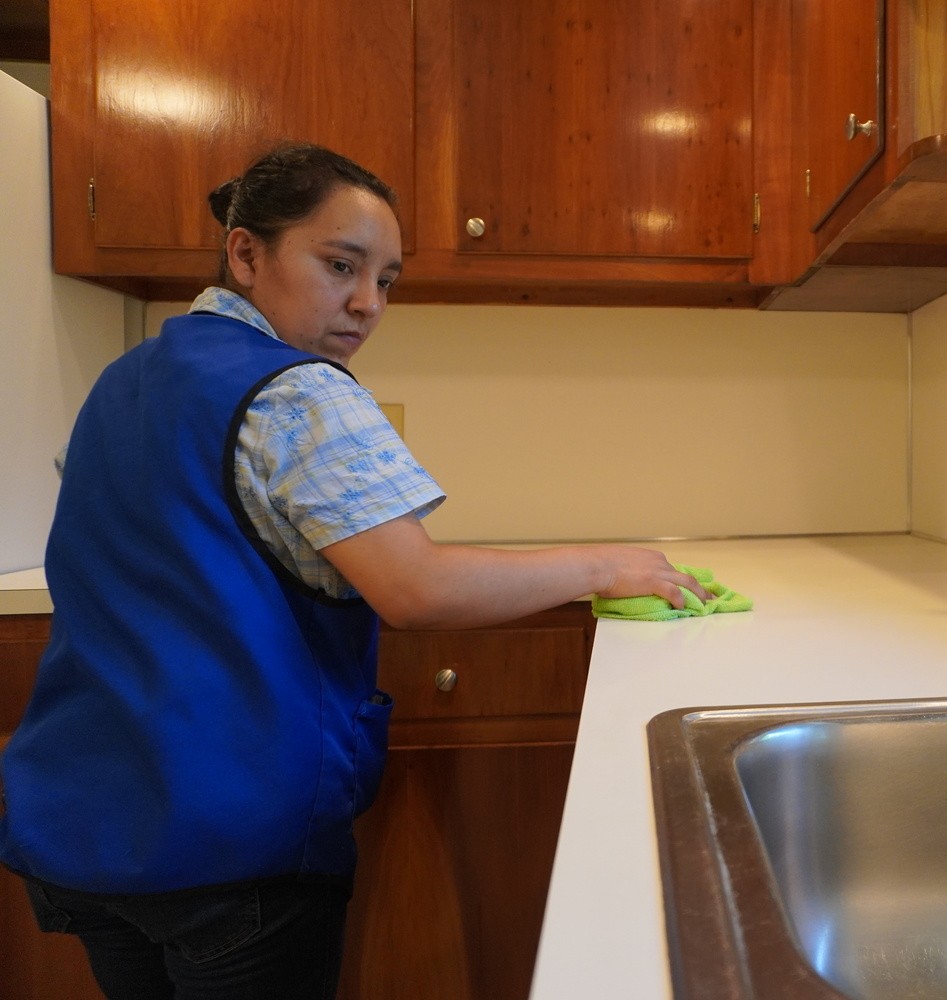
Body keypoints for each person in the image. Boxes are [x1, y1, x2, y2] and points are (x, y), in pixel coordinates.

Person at [0, 143, 708, 1000]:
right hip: (228, 840)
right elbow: (419, 587)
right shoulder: (302, 390)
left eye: (389, 280)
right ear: (247, 254)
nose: (367, 303)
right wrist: (605, 561)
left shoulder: (124, 381)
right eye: (341, 265)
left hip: (83, 825)